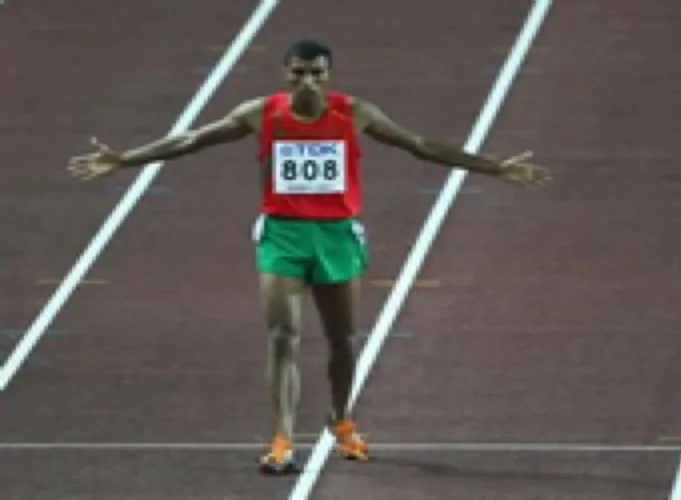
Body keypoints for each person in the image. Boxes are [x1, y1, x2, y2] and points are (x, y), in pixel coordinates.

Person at [67, 39, 551, 474]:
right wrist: (125, 159)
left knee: (342, 339)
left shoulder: (354, 112)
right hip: (283, 236)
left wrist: (494, 168)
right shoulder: (262, 113)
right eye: (298, 72)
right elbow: (193, 138)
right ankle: (281, 439)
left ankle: (340, 421)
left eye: (316, 73)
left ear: (329, 75)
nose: (307, 81)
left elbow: (420, 145)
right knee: (283, 335)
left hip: (337, 237)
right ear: (286, 74)